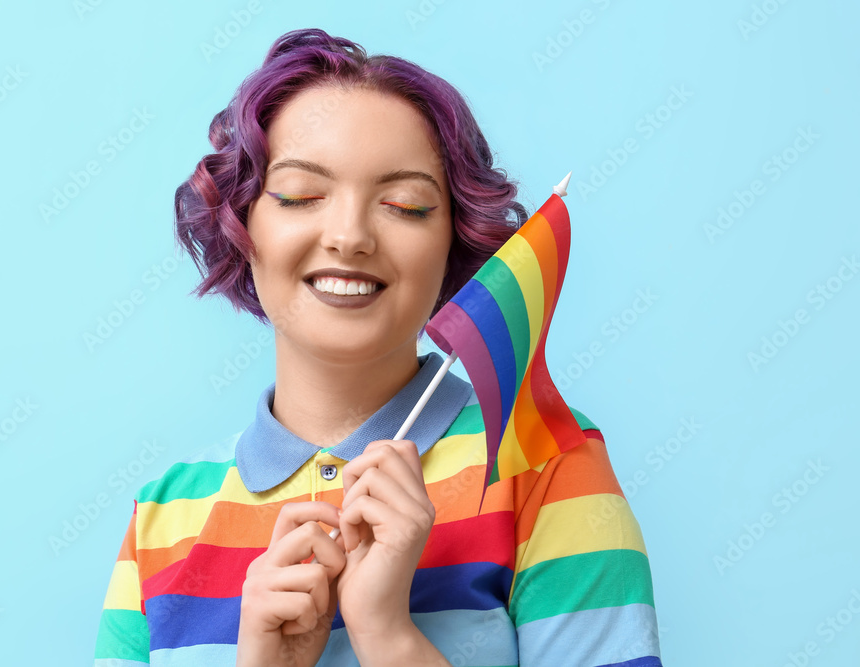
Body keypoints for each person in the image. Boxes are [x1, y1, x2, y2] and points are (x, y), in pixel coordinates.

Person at [94, 27, 663, 667]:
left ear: (455, 236)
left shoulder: (544, 461)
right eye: (300, 195)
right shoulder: (162, 518)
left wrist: (389, 636)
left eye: (405, 205)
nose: (350, 236)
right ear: (241, 223)